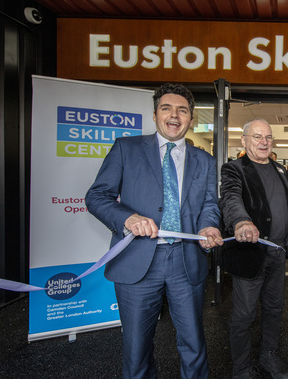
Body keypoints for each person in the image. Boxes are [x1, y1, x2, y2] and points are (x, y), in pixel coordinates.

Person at [85, 83, 224, 379]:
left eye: (182, 110)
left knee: (194, 344)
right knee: (136, 349)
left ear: (191, 118)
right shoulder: (127, 148)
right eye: (167, 108)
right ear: (154, 114)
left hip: (186, 261)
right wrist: (128, 218)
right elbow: (97, 196)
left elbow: (210, 204)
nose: (174, 116)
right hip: (137, 260)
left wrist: (209, 225)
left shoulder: (205, 160)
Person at [219, 119, 288, 379]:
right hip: (251, 254)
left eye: (268, 137)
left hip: (277, 253)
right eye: (257, 137)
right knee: (244, 315)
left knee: (275, 309)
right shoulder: (234, 169)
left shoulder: (280, 169)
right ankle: (241, 369)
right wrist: (241, 221)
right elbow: (230, 198)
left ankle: (269, 356)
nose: (264, 142)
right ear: (244, 141)